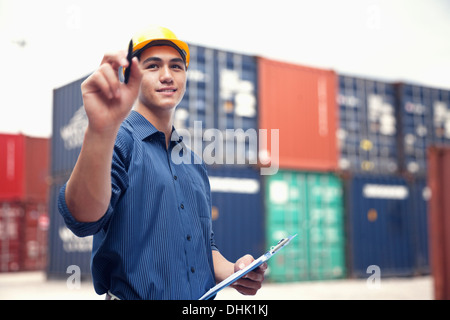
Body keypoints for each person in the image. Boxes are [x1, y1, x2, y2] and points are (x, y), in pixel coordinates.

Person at [58, 25, 267, 300]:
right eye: (153, 66)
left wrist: (236, 271)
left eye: (176, 67)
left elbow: (204, 247)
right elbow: (82, 218)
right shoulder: (117, 141)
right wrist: (99, 131)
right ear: (130, 76)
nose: (167, 76)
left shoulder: (194, 164)